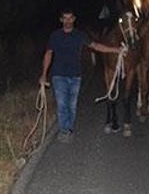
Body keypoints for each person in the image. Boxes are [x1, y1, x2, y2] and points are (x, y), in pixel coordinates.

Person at [39, 8, 124, 143]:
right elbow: (48, 54)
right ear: (61, 20)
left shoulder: (80, 35)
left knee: (72, 105)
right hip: (58, 75)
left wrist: (116, 49)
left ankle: (69, 128)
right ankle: (64, 130)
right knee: (62, 104)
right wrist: (44, 74)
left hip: (75, 76)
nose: (67, 21)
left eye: (70, 18)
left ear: (74, 19)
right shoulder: (55, 36)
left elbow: (95, 46)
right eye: (65, 18)